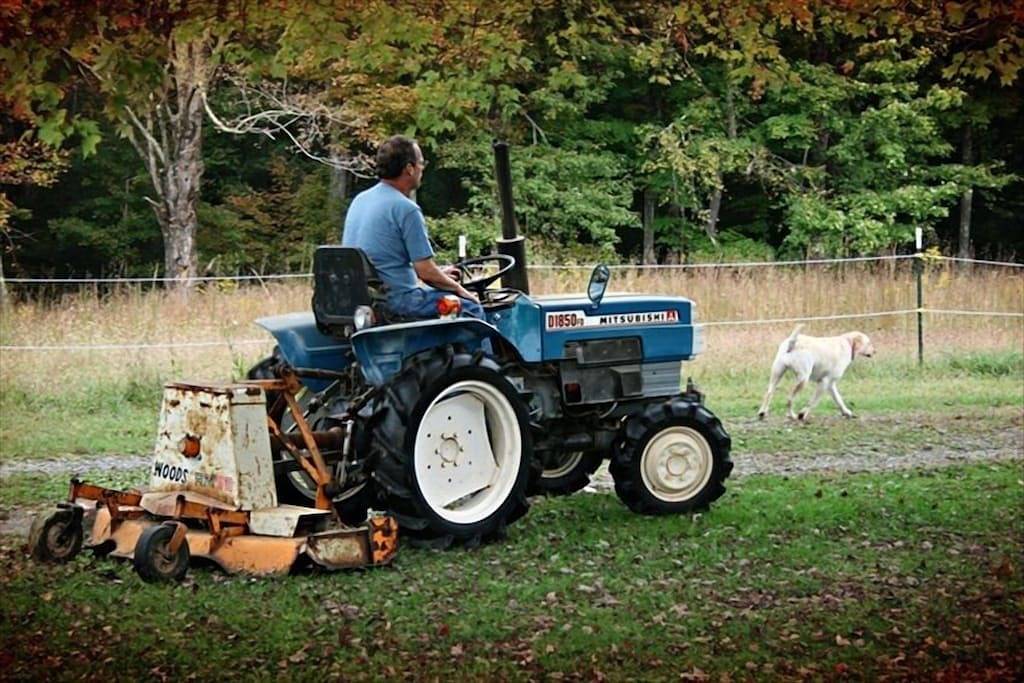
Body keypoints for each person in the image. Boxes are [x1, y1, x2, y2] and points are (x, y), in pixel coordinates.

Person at [341, 135, 484, 319]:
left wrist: (441, 274)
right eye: (421, 163)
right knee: (472, 308)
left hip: (365, 300)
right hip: (397, 302)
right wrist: (459, 289)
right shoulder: (406, 209)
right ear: (409, 169)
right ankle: (480, 349)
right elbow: (425, 272)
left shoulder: (360, 200)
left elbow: (382, 264)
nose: (422, 169)